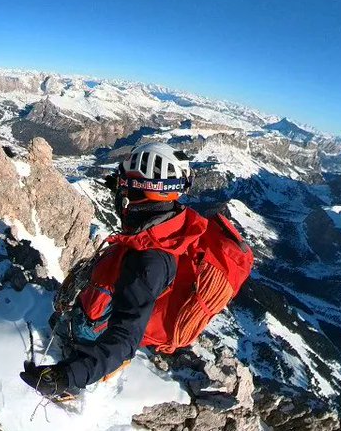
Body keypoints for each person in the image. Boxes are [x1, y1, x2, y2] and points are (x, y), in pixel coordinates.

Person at [20, 141, 253, 403]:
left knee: (81, 330)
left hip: (102, 333)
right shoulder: (171, 224)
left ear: (141, 192)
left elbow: (124, 340)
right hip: (126, 288)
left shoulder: (148, 262)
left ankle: (75, 382)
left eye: (126, 185)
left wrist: (67, 376)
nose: (120, 193)